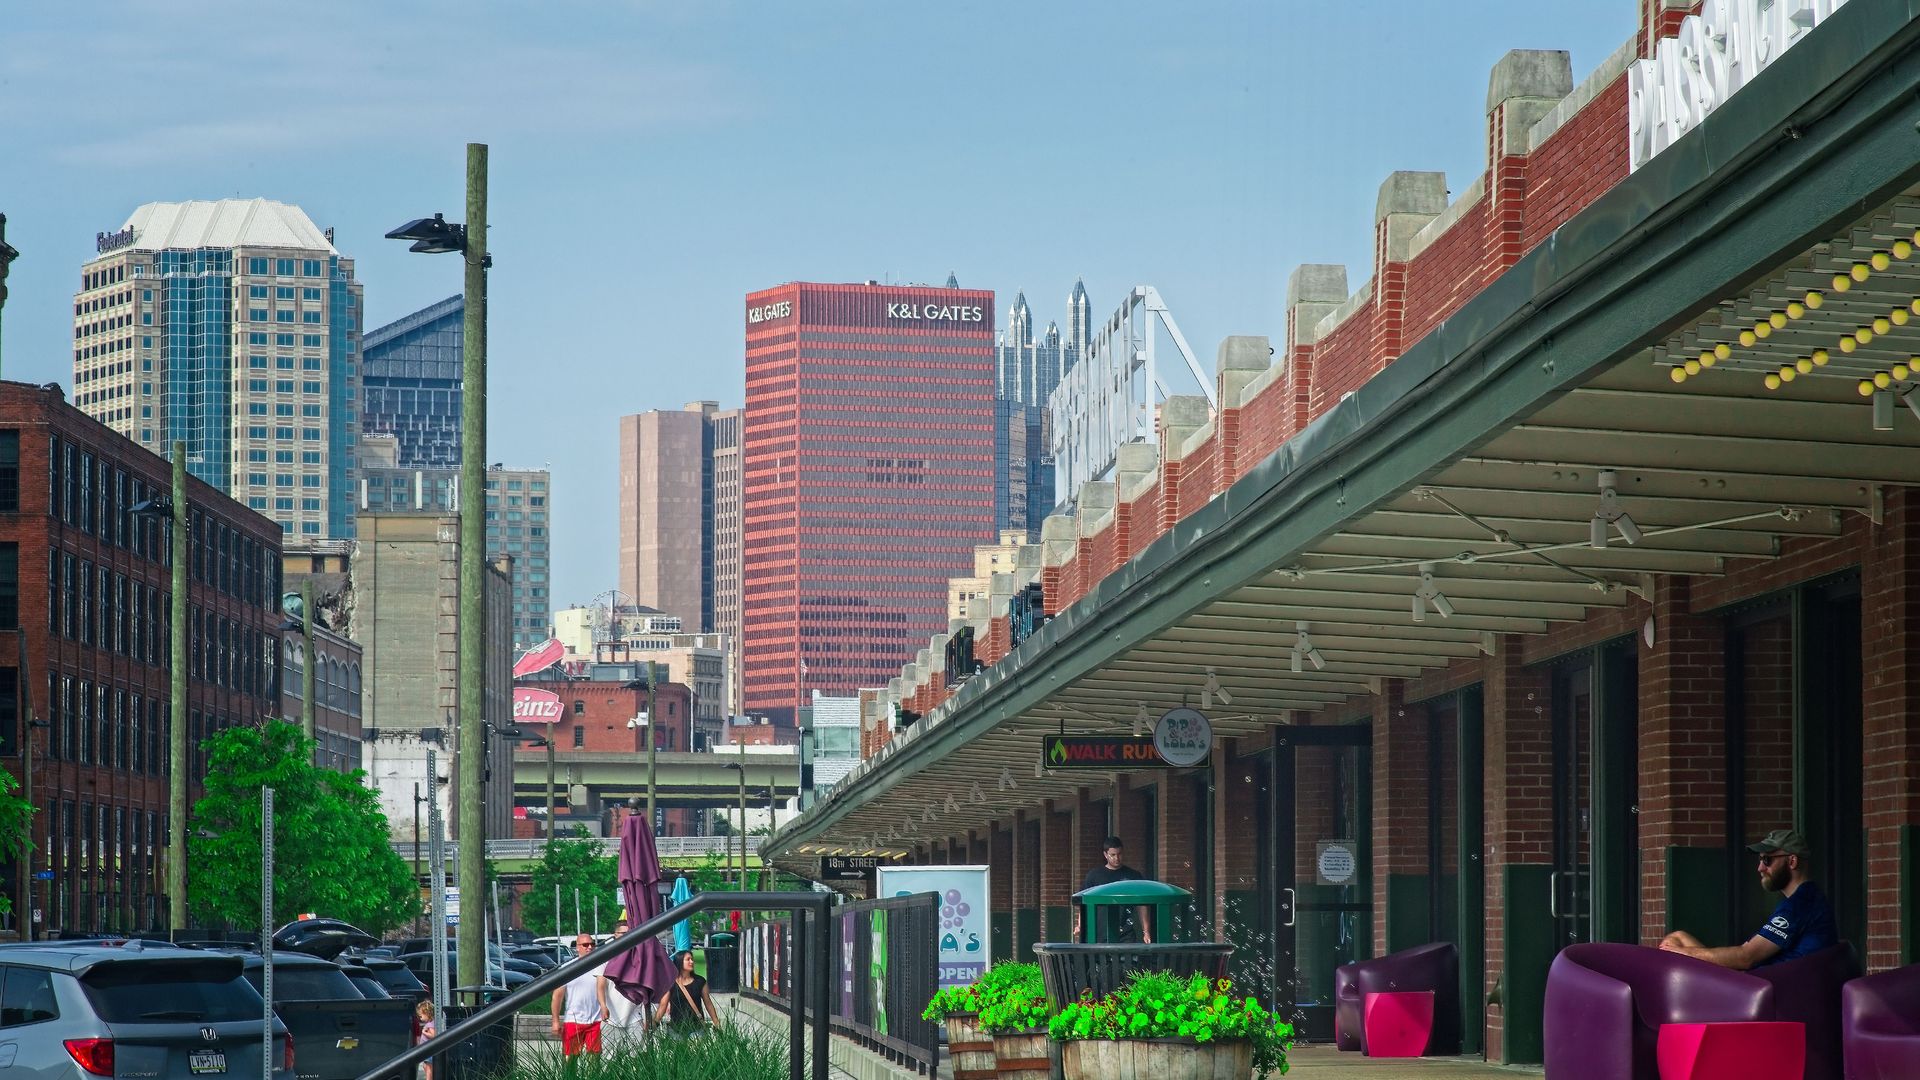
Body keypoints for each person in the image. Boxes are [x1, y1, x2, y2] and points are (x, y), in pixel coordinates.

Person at [1659, 828, 1837, 970]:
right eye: (1760, 860)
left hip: (1765, 990)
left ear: (1792, 862)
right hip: (1762, 983)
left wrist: (1681, 954)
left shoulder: (1799, 905)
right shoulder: (1805, 898)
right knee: (1678, 937)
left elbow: (1746, 957)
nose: (1760, 868)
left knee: (1674, 945)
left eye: (1767, 860)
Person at [1072, 836, 1154, 944]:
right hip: (1099, 931)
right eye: (1113, 855)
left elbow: (1142, 904)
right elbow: (1084, 903)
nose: (1117, 858)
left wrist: (1146, 931)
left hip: (1125, 932)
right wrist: (1080, 925)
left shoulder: (1133, 875)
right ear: (1105, 855)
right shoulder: (1094, 876)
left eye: (1119, 854)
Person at [551, 935, 610, 1059]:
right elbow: (557, 996)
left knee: (594, 1060)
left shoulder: (600, 966)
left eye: (592, 944)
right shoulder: (568, 968)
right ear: (577, 947)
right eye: (585, 945)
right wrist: (555, 1021)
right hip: (573, 1021)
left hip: (595, 1020)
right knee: (570, 1060)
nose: (589, 947)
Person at [651, 948, 724, 1035]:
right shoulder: (671, 983)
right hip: (676, 1029)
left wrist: (716, 1022)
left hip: (697, 1028)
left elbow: (708, 1003)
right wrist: (655, 1022)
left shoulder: (700, 981)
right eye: (688, 959)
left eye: (692, 959)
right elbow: (663, 1005)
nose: (692, 962)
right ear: (680, 962)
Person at [601, 919, 644, 1047]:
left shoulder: (639, 957)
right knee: (608, 1061)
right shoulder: (606, 957)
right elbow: (600, 985)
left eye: (628, 933)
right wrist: (603, 1005)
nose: (626, 936)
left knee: (637, 1058)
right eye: (622, 933)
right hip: (612, 1018)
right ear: (615, 935)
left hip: (635, 1017)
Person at [413, 1000, 436, 1080]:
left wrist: (424, 1032)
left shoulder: (430, 1025)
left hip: (429, 1051)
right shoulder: (430, 1024)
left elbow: (433, 1036)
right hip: (427, 1050)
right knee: (425, 1066)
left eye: (421, 1016)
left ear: (427, 1013)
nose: (420, 1018)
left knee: (428, 1068)